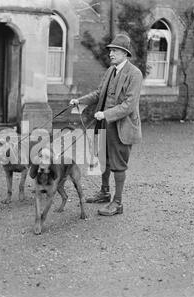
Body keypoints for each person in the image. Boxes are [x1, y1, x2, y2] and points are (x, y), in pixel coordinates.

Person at [70, 34, 143, 216]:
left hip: (122, 126)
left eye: (115, 51)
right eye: (110, 50)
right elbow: (98, 93)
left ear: (125, 53)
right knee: (103, 160)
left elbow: (129, 105)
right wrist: (80, 101)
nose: (111, 54)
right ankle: (104, 192)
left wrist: (106, 113)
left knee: (118, 164)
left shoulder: (135, 74)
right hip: (104, 125)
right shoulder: (111, 70)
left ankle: (117, 203)